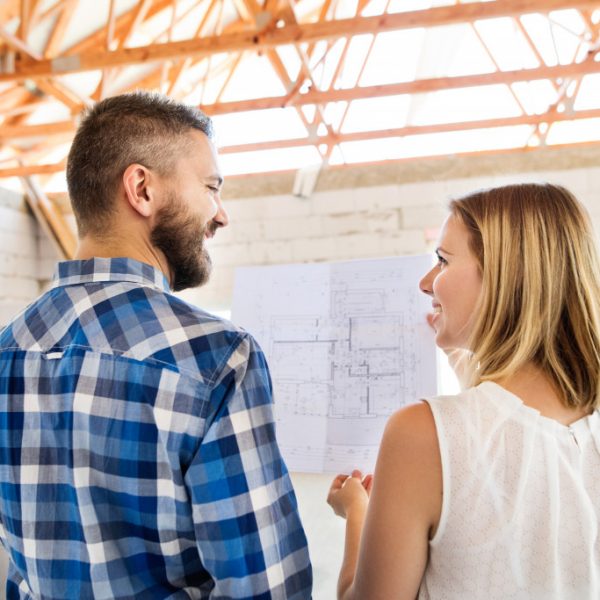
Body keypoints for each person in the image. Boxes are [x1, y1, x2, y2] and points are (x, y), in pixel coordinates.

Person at [0, 92, 312, 599]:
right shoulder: (218, 358)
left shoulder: (7, 352)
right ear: (141, 189)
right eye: (211, 187)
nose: (221, 215)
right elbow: (267, 589)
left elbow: (19, 571)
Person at [327, 183, 600, 599]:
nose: (425, 282)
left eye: (442, 261)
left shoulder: (419, 433)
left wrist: (356, 514)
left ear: (507, 276)